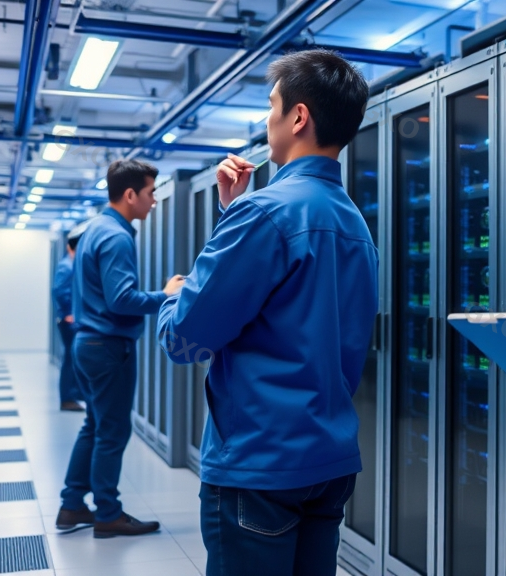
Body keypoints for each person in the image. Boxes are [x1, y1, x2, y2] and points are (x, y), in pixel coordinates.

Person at [157, 50, 377, 576]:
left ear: (298, 117)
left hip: (261, 465)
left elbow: (185, 339)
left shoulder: (264, 212)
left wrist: (171, 297)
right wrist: (233, 212)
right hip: (328, 462)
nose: (266, 119)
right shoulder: (353, 222)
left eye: (272, 105)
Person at [56, 159, 186, 538]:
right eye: (150, 193)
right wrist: (167, 295)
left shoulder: (95, 228)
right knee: (112, 432)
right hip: (108, 348)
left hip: (88, 343)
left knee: (95, 426)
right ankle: (108, 514)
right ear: (130, 195)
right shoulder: (116, 237)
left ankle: (72, 505)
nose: (154, 201)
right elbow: (122, 300)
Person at [52, 224, 86, 412]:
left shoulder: (72, 264)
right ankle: (67, 398)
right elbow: (59, 291)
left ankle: (75, 394)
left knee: (74, 358)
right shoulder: (67, 265)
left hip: (71, 320)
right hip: (68, 321)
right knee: (70, 359)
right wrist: (67, 314)